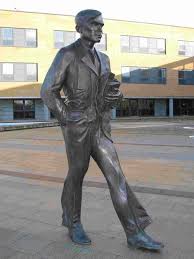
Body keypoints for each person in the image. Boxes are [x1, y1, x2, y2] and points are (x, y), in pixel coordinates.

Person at [41, 9, 164, 251]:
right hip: (77, 128)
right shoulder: (67, 55)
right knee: (77, 174)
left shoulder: (104, 58)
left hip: (99, 127)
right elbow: (47, 91)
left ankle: (134, 232)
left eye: (101, 25)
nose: (100, 29)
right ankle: (73, 222)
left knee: (116, 176)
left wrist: (115, 96)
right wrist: (68, 117)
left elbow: (106, 92)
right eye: (94, 25)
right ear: (79, 28)